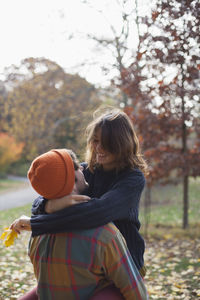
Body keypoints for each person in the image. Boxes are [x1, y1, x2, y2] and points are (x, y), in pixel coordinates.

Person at [13, 108, 148, 298]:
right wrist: (50, 206)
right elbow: (47, 195)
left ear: (122, 143)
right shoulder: (84, 170)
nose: (99, 147)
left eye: (107, 142)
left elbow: (98, 213)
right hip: (86, 264)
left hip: (123, 266)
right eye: (96, 140)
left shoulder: (132, 179)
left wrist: (37, 223)